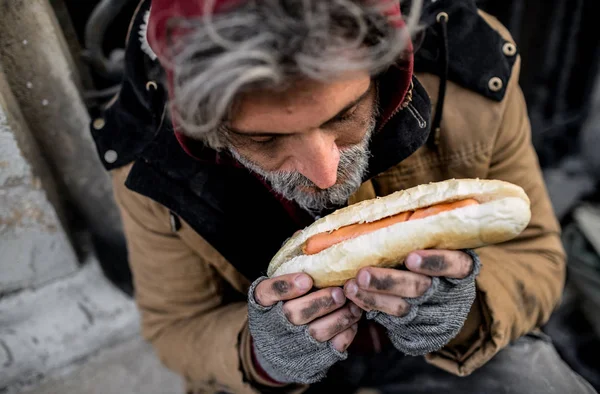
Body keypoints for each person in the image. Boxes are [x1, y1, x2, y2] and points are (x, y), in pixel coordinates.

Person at [89, 0, 598, 393]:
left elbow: (537, 254)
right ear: (207, 129)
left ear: (387, 70)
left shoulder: (471, 70)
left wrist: (463, 310)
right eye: (265, 140)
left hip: (450, 353)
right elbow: (176, 327)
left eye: (344, 115)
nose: (325, 174)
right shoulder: (147, 161)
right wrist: (266, 356)